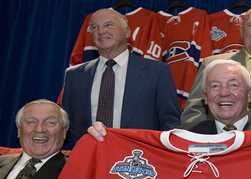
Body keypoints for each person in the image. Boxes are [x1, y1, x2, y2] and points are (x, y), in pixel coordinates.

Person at [89, 59, 251, 162]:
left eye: (234, 85)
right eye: (215, 86)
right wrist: (106, 139)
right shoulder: (185, 138)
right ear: (205, 98)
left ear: (250, 94)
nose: (224, 93)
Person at [61, 8, 180, 149]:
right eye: (94, 27)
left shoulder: (157, 72)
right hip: (88, 159)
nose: (101, 31)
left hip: (138, 161)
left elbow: (170, 123)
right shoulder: (74, 75)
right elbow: (67, 128)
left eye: (108, 25)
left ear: (127, 32)